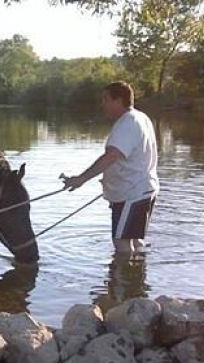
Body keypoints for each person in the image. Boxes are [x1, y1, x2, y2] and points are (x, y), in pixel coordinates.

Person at [63, 81, 159, 255]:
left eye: (106, 99)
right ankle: (137, 277)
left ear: (119, 100)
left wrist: (80, 179)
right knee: (136, 241)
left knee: (121, 242)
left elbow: (111, 156)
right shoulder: (140, 117)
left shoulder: (127, 123)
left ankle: (123, 281)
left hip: (132, 193)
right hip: (143, 189)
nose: (103, 104)